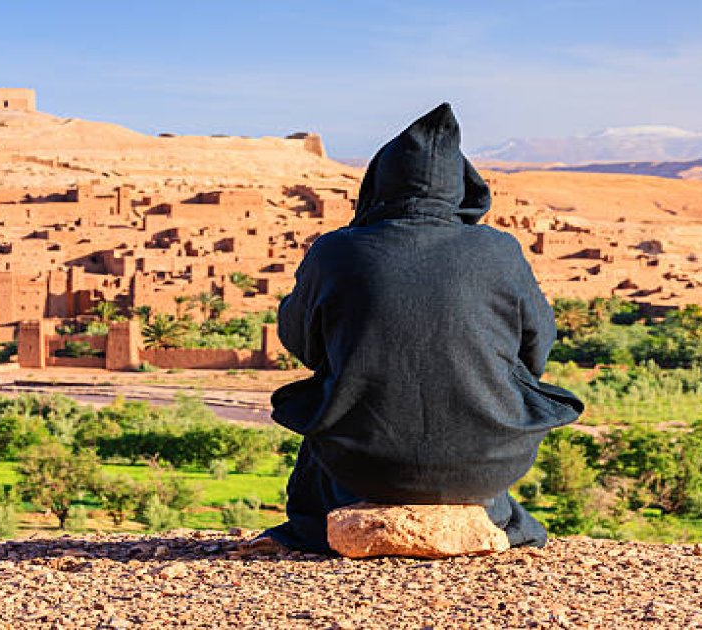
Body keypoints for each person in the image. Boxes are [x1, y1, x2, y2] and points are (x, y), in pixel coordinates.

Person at [250, 103, 584, 555]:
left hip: (361, 463)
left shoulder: (336, 251)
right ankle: (496, 516)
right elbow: (537, 349)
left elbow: (301, 341)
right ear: (461, 188)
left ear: (377, 184)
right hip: (488, 464)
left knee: (323, 400)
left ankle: (314, 525)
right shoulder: (499, 251)